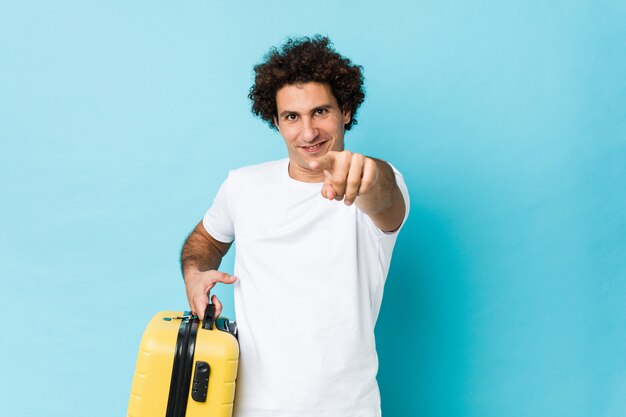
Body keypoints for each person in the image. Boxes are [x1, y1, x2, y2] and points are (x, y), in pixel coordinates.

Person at [180, 35, 410, 417]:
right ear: (276, 121)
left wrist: (367, 177)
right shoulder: (243, 184)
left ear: (346, 111)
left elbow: (384, 197)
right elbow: (204, 239)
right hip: (246, 407)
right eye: (292, 117)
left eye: (321, 112)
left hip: (346, 409)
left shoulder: (376, 184)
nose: (308, 133)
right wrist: (194, 273)